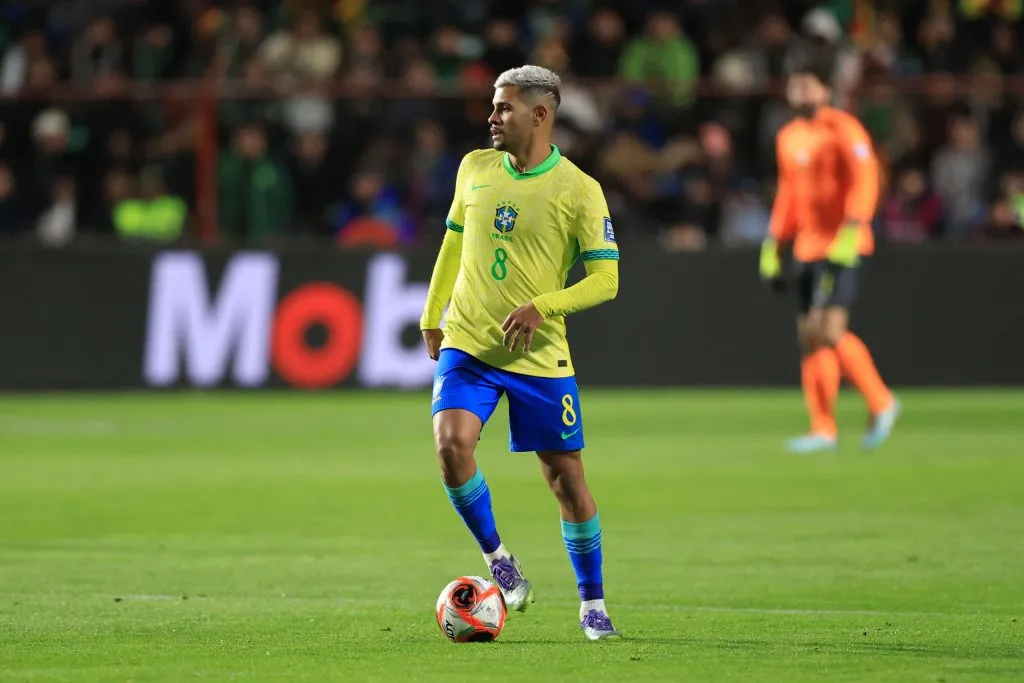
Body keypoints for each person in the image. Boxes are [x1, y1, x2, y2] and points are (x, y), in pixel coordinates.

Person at [419, 65, 621, 640]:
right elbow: (452, 244)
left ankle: (592, 604)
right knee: (450, 446)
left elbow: (606, 279)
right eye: (493, 105)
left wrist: (544, 306)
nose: (492, 116)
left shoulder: (579, 189)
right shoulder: (474, 168)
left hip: (538, 355)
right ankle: (499, 561)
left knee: (566, 481)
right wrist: (432, 314)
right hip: (470, 341)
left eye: (504, 107)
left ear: (540, 114)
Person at [760, 44, 901, 454]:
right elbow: (789, 193)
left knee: (829, 329)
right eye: (794, 85)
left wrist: (854, 227)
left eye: (807, 84)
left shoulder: (844, 128)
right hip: (806, 246)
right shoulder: (788, 137)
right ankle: (823, 427)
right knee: (809, 335)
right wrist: (774, 242)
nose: (799, 91)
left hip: (844, 245)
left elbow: (866, 179)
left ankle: (881, 400)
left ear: (825, 89)